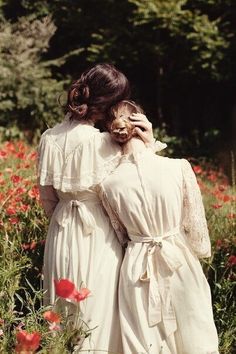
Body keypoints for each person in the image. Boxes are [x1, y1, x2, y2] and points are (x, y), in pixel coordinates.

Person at [37, 63, 156, 353]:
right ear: (107, 102)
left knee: (61, 309)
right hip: (98, 231)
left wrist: (65, 219)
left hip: (62, 229)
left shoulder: (48, 138)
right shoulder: (104, 143)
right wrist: (149, 140)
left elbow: (48, 200)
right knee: (97, 312)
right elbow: (143, 181)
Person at [98, 100, 219, 354]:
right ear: (142, 123)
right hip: (178, 259)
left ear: (113, 133)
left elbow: (121, 235)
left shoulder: (107, 185)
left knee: (145, 342)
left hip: (137, 267)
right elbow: (197, 233)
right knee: (194, 335)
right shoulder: (179, 167)